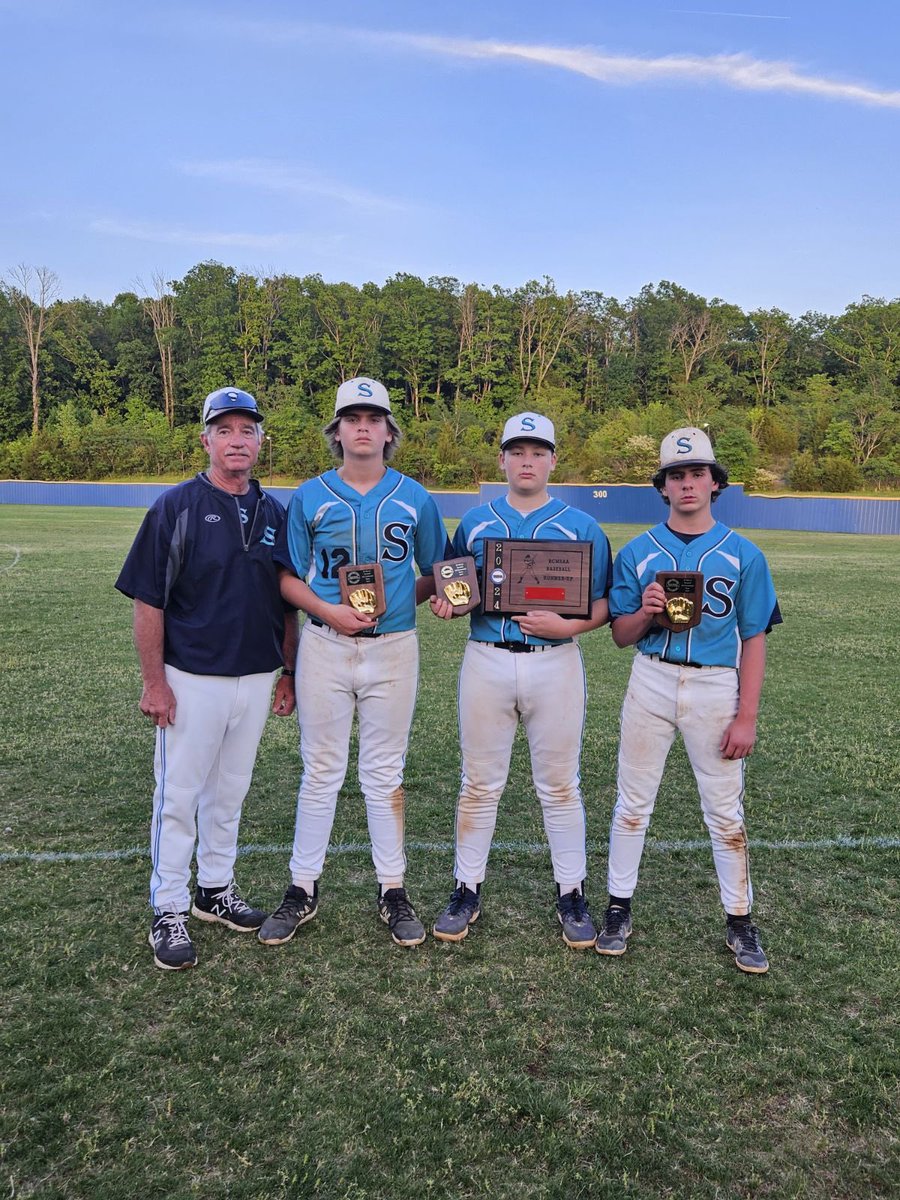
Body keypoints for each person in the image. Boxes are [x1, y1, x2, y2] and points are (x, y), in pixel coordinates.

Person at [258, 377, 450, 949]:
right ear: (336, 431)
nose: (362, 427)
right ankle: (302, 886)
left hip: (394, 647)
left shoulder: (414, 495)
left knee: (384, 773)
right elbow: (287, 578)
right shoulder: (310, 495)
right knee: (320, 769)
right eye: (351, 417)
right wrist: (329, 612)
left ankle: (393, 889)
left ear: (390, 432)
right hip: (325, 644)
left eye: (374, 418)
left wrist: (434, 596)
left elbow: (442, 571)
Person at [116, 387, 299, 971]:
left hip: (255, 675)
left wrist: (289, 671)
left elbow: (287, 602)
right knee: (178, 798)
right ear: (207, 439)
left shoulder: (275, 512)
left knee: (230, 793)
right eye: (225, 430)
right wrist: (155, 683)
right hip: (191, 677)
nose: (237, 440)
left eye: (247, 430)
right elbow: (148, 602)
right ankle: (167, 906)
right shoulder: (177, 506)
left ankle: (213, 889)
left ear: (261, 441)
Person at [596, 427, 782, 974]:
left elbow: (754, 639)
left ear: (715, 481)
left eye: (697, 473)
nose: (687, 484)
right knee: (633, 802)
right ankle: (617, 907)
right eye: (676, 475)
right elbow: (622, 635)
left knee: (724, 810)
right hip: (651, 678)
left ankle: (740, 919)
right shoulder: (637, 551)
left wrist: (746, 715)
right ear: (663, 487)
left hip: (715, 685)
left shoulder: (744, 554)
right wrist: (649, 611)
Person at [429, 412, 611, 948]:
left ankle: (572, 891)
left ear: (553, 460)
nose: (527, 460)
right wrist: (450, 605)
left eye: (537, 451)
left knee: (559, 784)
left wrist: (568, 624)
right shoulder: (476, 522)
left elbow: (603, 604)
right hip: (486, 656)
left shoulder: (581, 526)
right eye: (517, 451)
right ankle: (467, 887)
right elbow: (456, 590)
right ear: (502, 459)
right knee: (480, 782)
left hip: (555, 659)